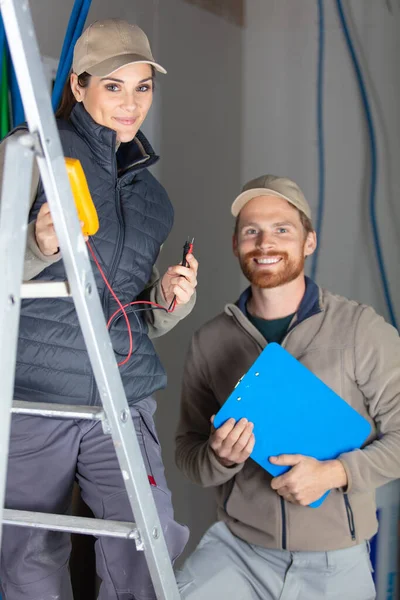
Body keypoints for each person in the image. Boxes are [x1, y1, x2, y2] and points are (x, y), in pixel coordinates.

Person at [0, 19, 198, 600]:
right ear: (80, 85)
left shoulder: (153, 198)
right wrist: (35, 245)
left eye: (142, 87)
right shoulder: (30, 154)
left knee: (150, 539)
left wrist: (166, 302)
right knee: (27, 552)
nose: (130, 102)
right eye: (114, 86)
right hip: (37, 393)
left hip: (121, 393)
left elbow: (130, 306)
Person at [175, 174, 400, 600]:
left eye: (282, 229)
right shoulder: (210, 340)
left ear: (308, 242)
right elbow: (189, 454)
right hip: (237, 552)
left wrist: (334, 473)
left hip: (336, 562)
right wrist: (219, 457)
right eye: (251, 231)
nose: (265, 243)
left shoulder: (361, 329)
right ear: (236, 244)